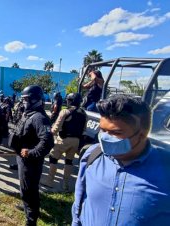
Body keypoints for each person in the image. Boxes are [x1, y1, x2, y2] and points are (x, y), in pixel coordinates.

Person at [72, 95, 170, 226]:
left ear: (142, 135)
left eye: (115, 133)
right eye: (103, 130)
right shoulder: (92, 155)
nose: (105, 138)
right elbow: (79, 204)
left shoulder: (166, 167)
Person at [12, 85, 54, 226]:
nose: (23, 102)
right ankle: (28, 209)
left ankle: (31, 220)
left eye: (26, 99)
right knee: (25, 188)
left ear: (35, 99)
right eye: (22, 99)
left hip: (30, 161)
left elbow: (47, 142)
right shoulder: (28, 113)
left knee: (30, 190)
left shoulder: (39, 118)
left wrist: (30, 153)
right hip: (22, 159)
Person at [42, 93, 87, 191]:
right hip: (76, 141)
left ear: (70, 101)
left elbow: (56, 128)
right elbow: (84, 129)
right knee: (69, 161)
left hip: (63, 139)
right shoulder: (84, 113)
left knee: (53, 158)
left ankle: (49, 181)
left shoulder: (65, 112)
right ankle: (65, 184)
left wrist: (49, 133)